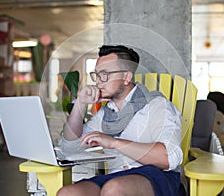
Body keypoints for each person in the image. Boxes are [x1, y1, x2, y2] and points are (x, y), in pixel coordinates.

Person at [57, 45, 183, 196]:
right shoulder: (105, 114)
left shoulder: (157, 106)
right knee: (68, 193)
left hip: (156, 177)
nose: (98, 82)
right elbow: (69, 146)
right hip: (115, 177)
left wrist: (114, 142)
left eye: (105, 75)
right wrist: (80, 103)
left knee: (114, 189)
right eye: (96, 75)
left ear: (126, 77)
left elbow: (169, 158)